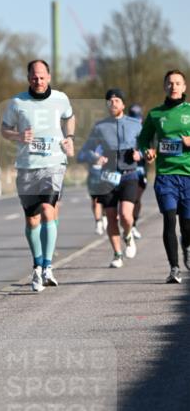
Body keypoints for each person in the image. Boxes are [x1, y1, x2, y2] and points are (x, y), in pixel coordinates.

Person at [0, 60, 75, 292]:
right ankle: (37, 264)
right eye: (34, 77)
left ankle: (48, 267)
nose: (38, 81)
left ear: (49, 77)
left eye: (42, 77)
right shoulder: (17, 103)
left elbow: (69, 117)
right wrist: (18, 135)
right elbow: (4, 130)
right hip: (27, 166)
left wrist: (69, 136)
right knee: (32, 219)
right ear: (28, 78)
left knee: (47, 209)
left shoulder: (61, 99)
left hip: (53, 164)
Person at [128, 70, 190, 283]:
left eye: (178, 83)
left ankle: (187, 245)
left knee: (187, 226)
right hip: (165, 176)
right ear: (164, 86)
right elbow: (144, 140)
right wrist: (148, 151)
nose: (174, 87)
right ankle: (174, 268)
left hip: (188, 176)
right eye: (170, 83)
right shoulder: (155, 115)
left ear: (184, 87)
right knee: (169, 219)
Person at [79, 89, 142, 269]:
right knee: (111, 217)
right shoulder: (100, 127)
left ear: (123, 104)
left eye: (116, 100)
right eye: (109, 101)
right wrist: (95, 158)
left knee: (126, 216)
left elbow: (147, 146)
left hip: (129, 175)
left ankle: (128, 236)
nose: (113, 103)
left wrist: (141, 154)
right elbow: (85, 151)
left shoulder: (135, 124)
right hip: (107, 177)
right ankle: (117, 254)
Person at [127, 102, 146, 239]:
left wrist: (146, 154)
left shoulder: (146, 130)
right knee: (128, 199)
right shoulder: (124, 129)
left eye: (138, 117)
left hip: (140, 168)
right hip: (125, 169)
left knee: (137, 198)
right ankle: (127, 223)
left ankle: (133, 225)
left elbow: (153, 149)